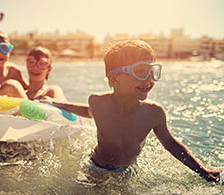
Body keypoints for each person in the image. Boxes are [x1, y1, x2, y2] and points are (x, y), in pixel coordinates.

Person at [41, 40, 221, 182]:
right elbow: (88, 111)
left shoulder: (153, 113)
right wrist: (56, 103)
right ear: (114, 79)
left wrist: (203, 171)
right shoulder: (98, 102)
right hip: (96, 166)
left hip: (127, 170)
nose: (149, 80)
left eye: (152, 72)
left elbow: (171, 144)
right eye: (140, 72)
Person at [0, 46, 66, 100]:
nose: (35, 67)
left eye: (41, 64)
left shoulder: (51, 91)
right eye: (31, 62)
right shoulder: (17, 93)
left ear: (49, 68)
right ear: (26, 65)